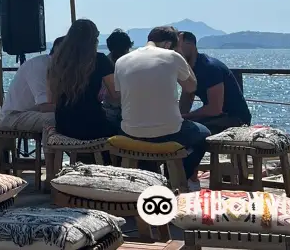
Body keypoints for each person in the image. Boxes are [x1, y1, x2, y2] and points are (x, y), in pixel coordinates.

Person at [114, 26, 209, 187]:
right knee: (204, 134)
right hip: (168, 133)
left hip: (130, 132)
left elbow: (117, 96)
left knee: (145, 136)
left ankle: (149, 180)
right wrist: (178, 51)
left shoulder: (121, 61)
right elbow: (191, 87)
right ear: (167, 44)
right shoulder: (172, 56)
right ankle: (177, 180)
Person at [49, 21, 118, 141]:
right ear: (94, 39)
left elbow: (51, 100)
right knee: (123, 128)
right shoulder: (100, 60)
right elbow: (116, 95)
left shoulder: (57, 62)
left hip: (63, 127)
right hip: (93, 126)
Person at [177, 31, 252, 134]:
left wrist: (185, 117)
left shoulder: (209, 68)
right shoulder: (189, 70)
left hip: (234, 118)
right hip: (217, 116)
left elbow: (215, 109)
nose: (174, 52)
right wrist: (177, 117)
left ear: (191, 46)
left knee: (189, 130)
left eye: (176, 47)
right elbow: (187, 97)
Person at [0, 37, 60, 118]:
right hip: (14, 116)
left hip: (32, 113)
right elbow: (45, 107)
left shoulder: (59, 69)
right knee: (57, 119)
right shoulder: (41, 65)